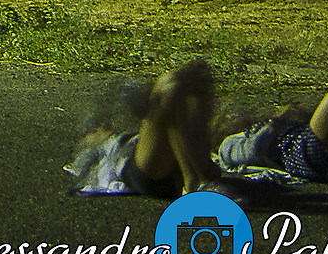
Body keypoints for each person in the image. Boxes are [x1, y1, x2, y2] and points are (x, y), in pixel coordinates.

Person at [66, 58, 249, 200]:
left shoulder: (130, 140)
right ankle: (196, 184)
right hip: (146, 170)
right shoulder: (103, 151)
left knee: (196, 78)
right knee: (171, 85)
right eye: (98, 129)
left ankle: (201, 180)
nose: (104, 128)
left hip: (168, 163)